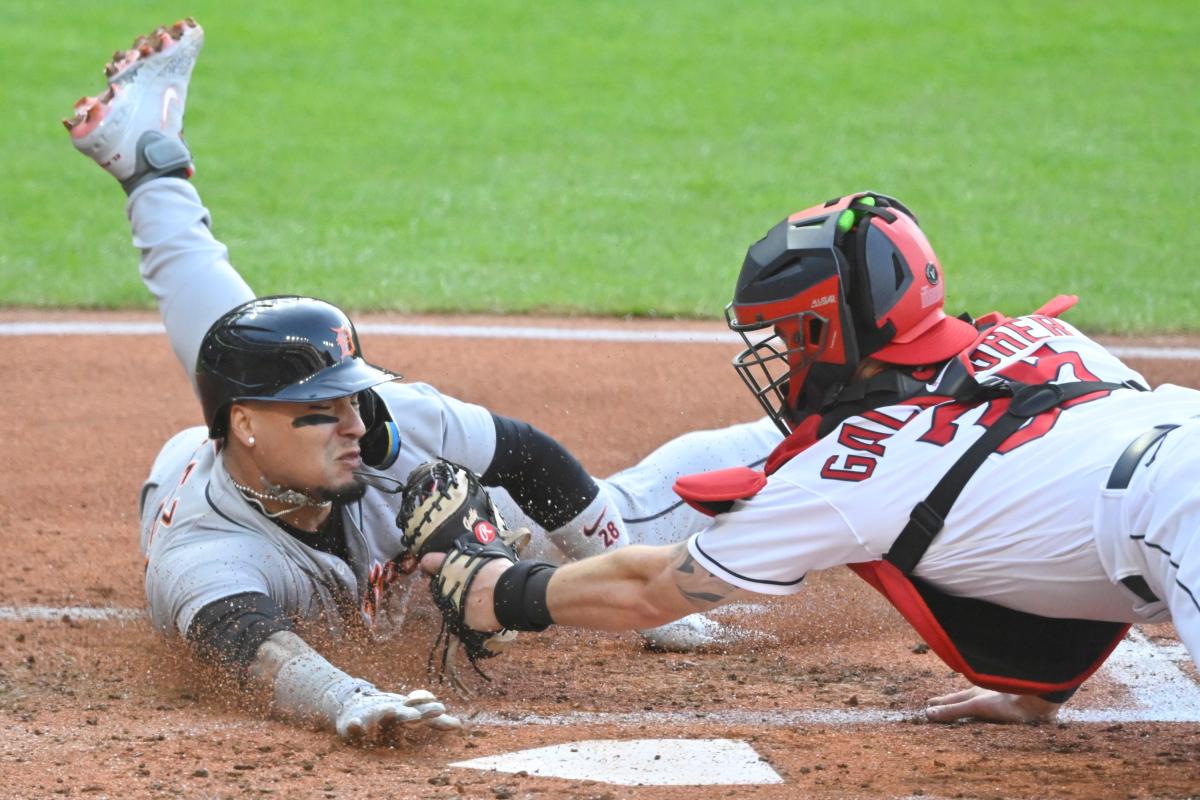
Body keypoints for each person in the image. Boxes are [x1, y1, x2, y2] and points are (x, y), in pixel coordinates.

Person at [64, 20, 781, 743]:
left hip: (257, 436)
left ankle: (148, 164)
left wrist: (644, 591)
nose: (355, 422)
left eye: (353, 397)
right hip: (213, 475)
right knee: (251, 367)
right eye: (326, 410)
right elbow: (245, 642)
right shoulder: (209, 555)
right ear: (248, 426)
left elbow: (530, 457)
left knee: (251, 341)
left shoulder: (377, 422)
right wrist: (346, 697)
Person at [423, 190, 1200, 724]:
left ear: (836, 331)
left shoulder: (853, 472)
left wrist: (507, 591)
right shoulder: (1048, 338)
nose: (782, 358)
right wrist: (1038, 691)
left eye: (791, 335)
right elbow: (1052, 480)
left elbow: (652, 589)